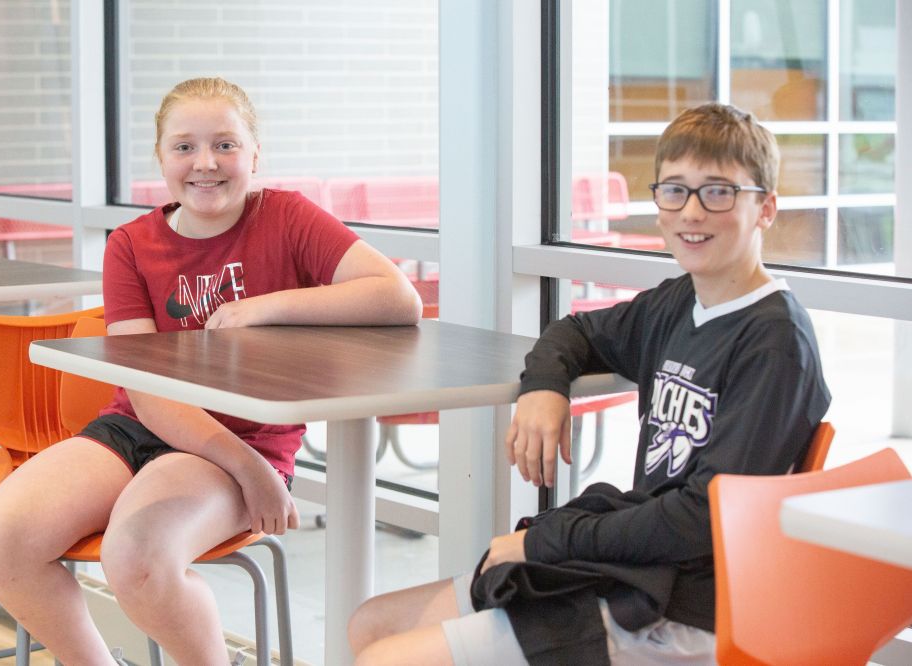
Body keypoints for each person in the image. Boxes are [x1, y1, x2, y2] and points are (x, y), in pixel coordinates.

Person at [348, 102, 831, 665]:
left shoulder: (775, 342)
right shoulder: (680, 301)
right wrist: (543, 388)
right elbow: (575, 331)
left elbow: (704, 518)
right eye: (675, 191)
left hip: (689, 609)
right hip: (636, 569)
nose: (692, 212)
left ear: (765, 208)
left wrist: (544, 542)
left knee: (387, 659)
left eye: (718, 192)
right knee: (371, 625)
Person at [0, 76, 422, 665]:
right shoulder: (130, 244)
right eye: (184, 147)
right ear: (161, 158)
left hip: (244, 438)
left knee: (138, 557)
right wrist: (251, 474)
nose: (205, 163)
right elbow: (146, 391)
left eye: (225, 145)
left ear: (254, 155)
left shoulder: (287, 216)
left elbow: (398, 298)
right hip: (142, 427)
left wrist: (263, 308)